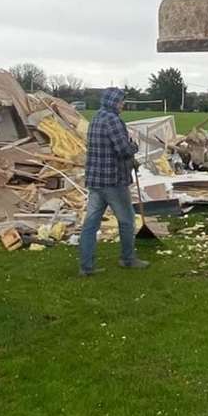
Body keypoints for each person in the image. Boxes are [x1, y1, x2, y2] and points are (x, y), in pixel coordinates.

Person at [78, 87, 148, 276]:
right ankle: (128, 259)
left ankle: (86, 267)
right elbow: (123, 150)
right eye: (120, 101)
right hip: (113, 181)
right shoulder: (113, 121)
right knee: (126, 221)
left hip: (95, 181)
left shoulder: (96, 118)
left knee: (90, 224)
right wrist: (134, 146)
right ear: (113, 102)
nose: (122, 105)